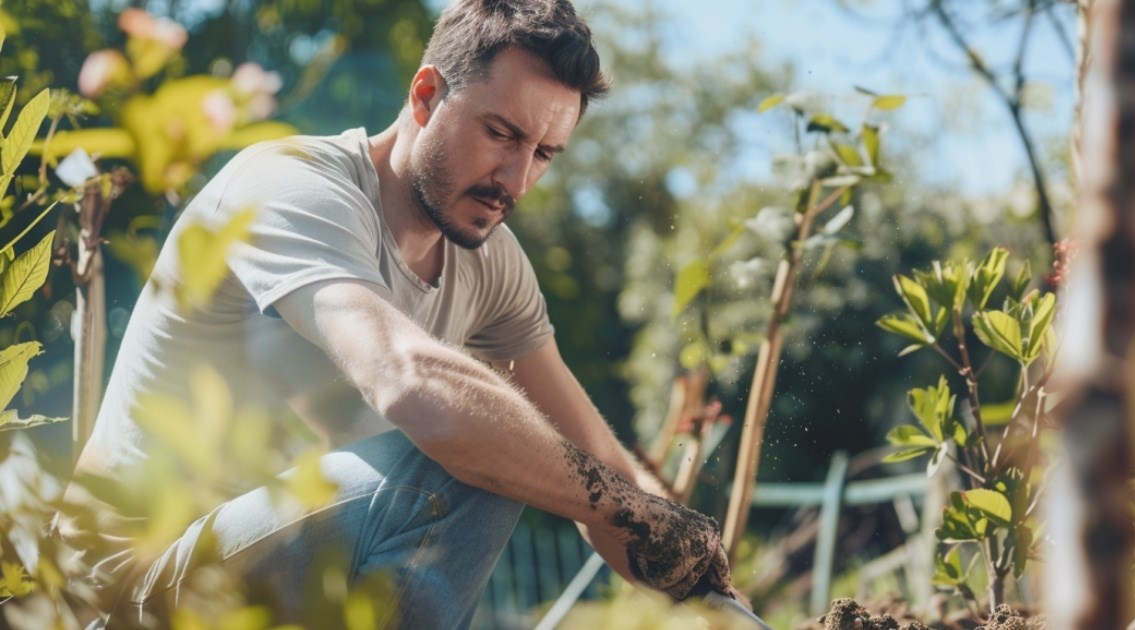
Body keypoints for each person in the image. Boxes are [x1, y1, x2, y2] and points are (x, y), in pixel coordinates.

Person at [59, 0, 739, 627]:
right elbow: (415, 383)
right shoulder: (290, 186)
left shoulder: (491, 261)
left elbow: (599, 459)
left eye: (544, 154)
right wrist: (632, 510)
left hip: (276, 585)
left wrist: (714, 591)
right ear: (425, 95)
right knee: (473, 448)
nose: (518, 180)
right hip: (124, 587)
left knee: (516, 445)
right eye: (502, 134)